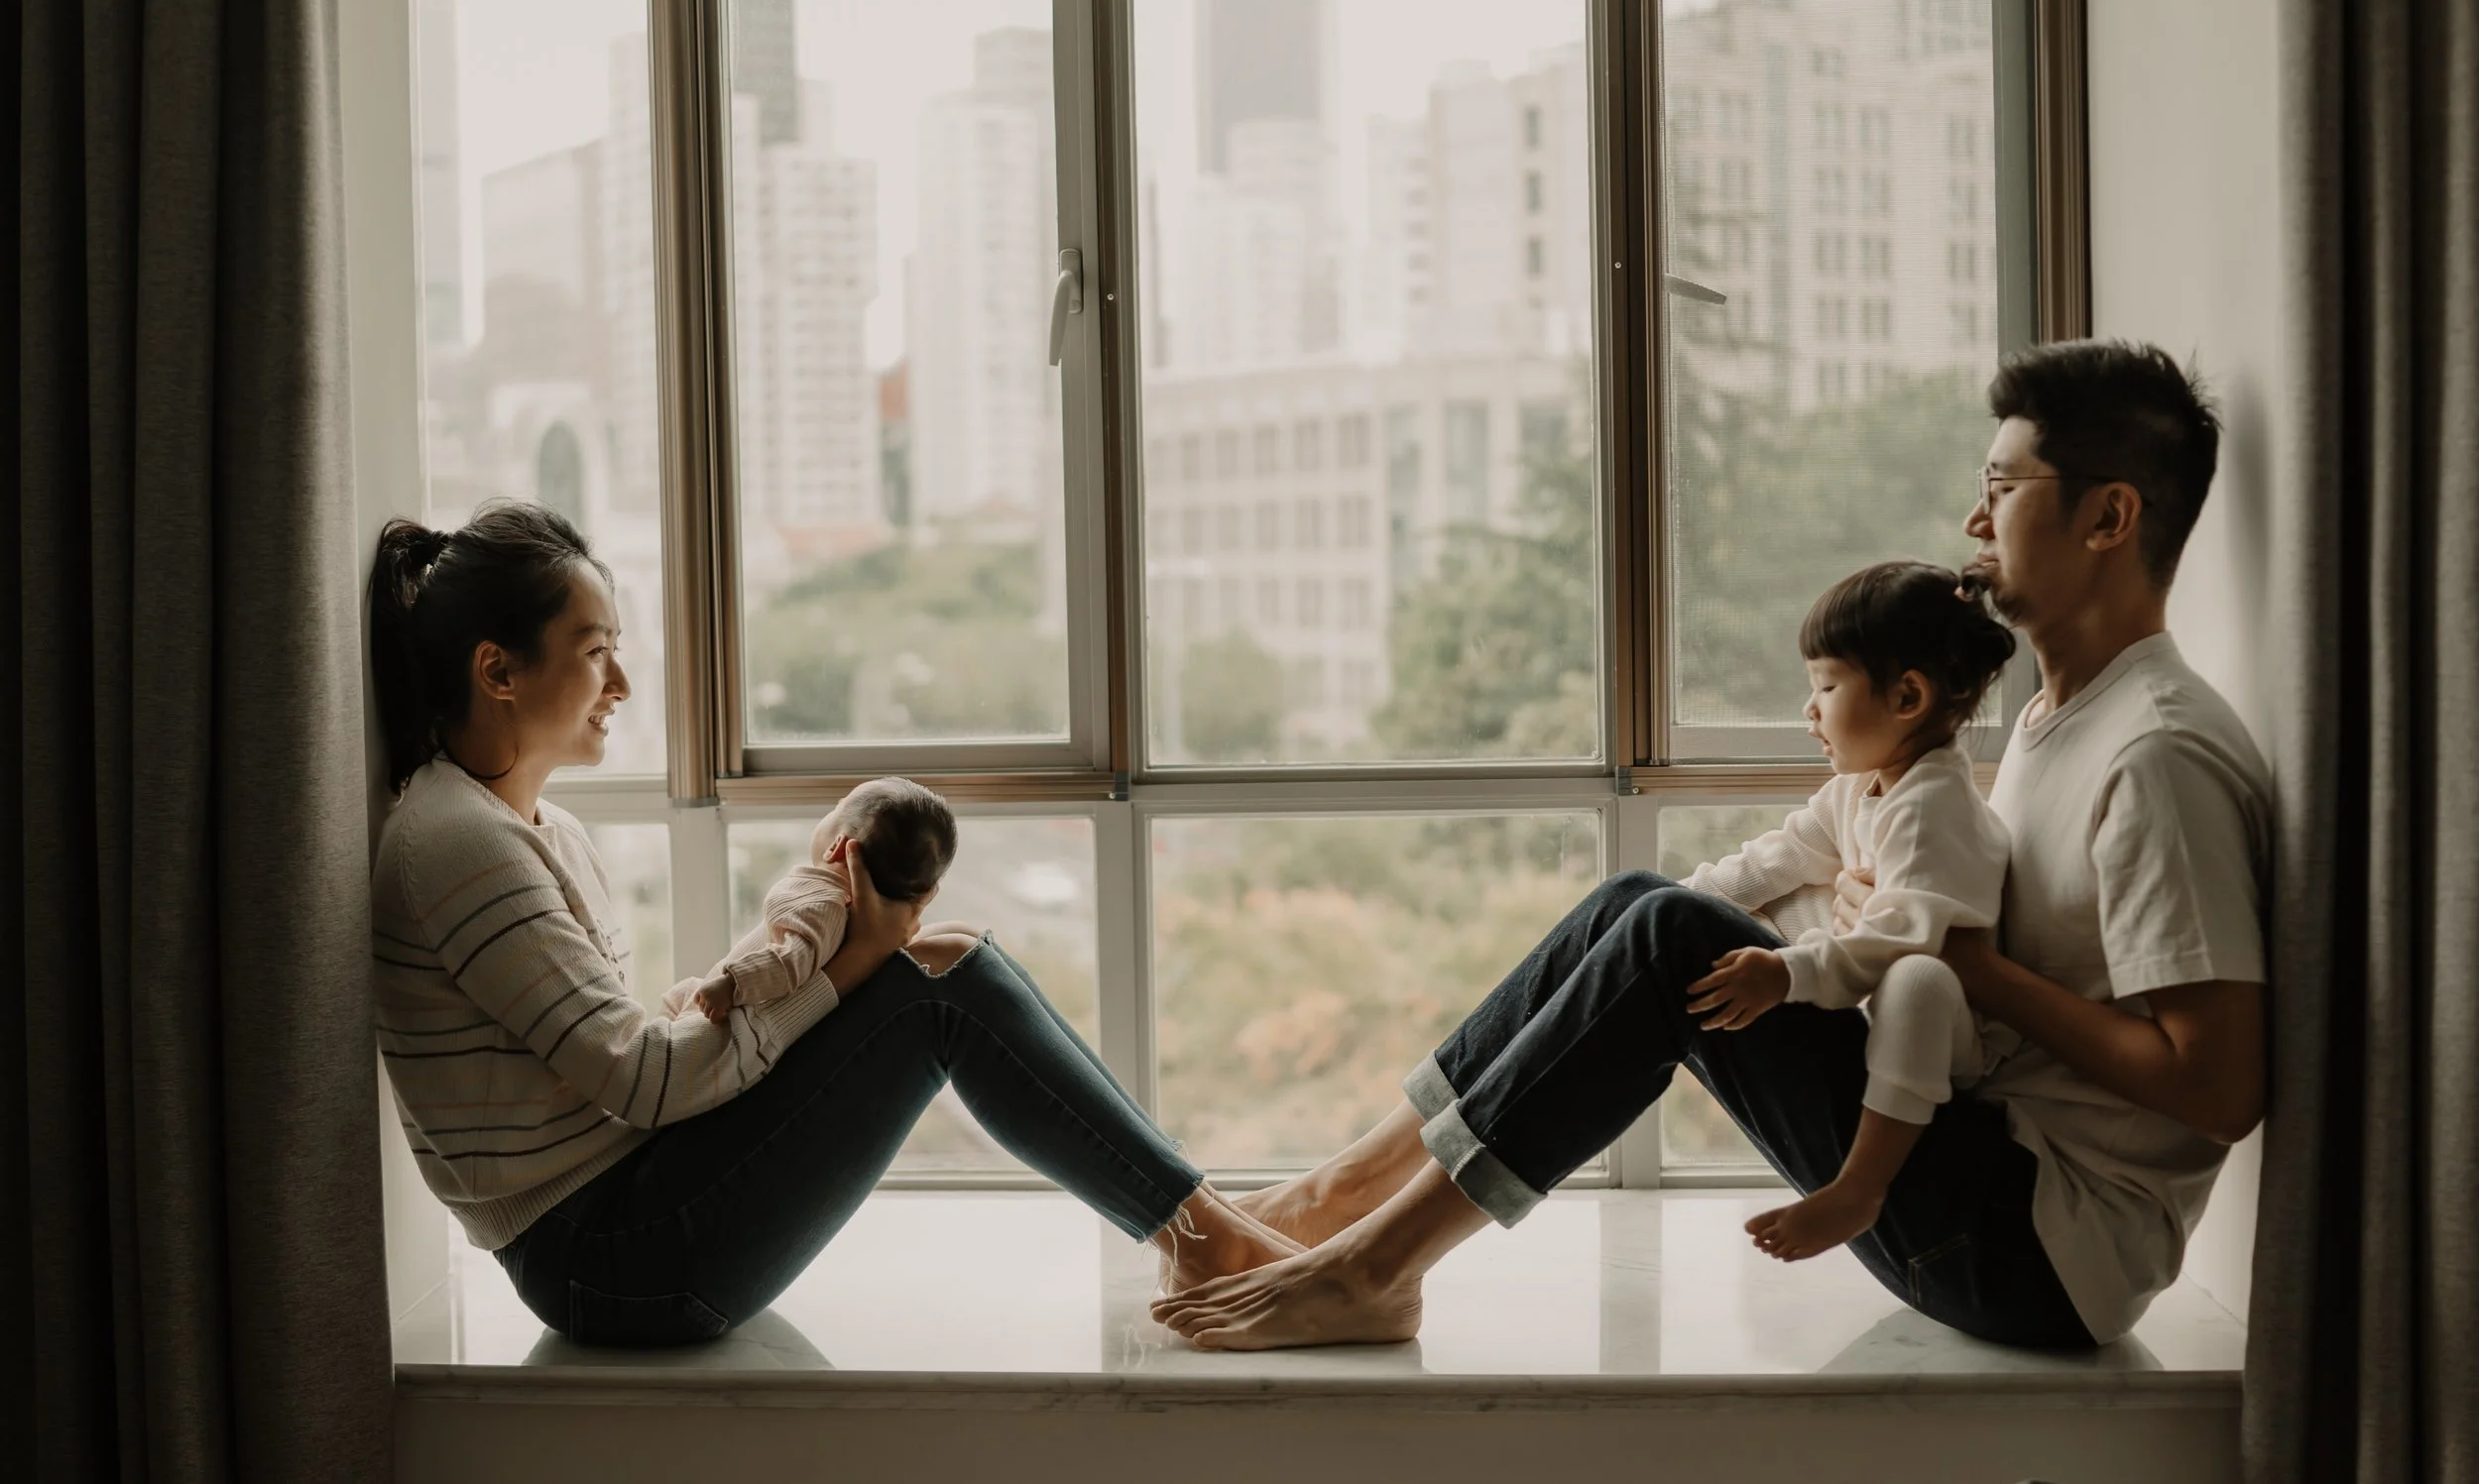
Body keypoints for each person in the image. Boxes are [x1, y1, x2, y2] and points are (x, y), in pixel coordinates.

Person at [1155, 339, 2268, 1353]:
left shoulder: (2156, 754)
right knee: (1639, 905)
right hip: (1972, 1168)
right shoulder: (2050, 721)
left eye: (2000, 489)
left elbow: (2218, 1087)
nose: (1975, 522)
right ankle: (1336, 1201)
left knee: (1668, 936)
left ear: (2108, 517)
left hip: (2035, 1249)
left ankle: (1374, 1266)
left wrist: (1973, 966)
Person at [368, 502, 1296, 1348]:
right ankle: (1208, 1234)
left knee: (948, 957)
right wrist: (849, 963)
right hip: (606, 1262)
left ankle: (1205, 1219)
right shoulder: (455, 843)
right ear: (497, 668)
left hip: (633, 1207)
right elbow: (643, 1079)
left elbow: (632, 1056)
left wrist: (804, 962)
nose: (624, 680)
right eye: (597, 649)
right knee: (940, 985)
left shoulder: (537, 829)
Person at [1685, 560, 2019, 1262]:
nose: (1809, 709)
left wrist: (1783, 973)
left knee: (1918, 980)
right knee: (1791, 887)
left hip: (1947, 1041)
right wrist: (1675, 905)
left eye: (1826, 686)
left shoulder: (1934, 807)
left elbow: (1900, 943)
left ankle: (1859, 1188)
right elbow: (1771, 860)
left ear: (1907, 696)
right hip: (1865, 989)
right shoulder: (1860, 785)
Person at [671, 778, 952, 1027]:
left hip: (721, 1017)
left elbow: (790, 961)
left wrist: (732, 984)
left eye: (835, 809)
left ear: (837, 847)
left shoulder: (823, 907)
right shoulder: (847, 914)